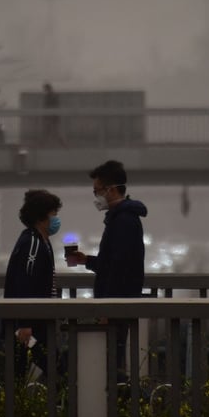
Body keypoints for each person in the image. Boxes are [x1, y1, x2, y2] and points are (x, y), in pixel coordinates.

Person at [66, 160, 148, 378]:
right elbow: (111, 263)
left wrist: (106, 309)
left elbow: (119, 268)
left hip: (116, 305)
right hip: (117, 304)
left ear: (110, 190)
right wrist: (87, 260)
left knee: (111, 363)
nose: (96, 197)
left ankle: (116, 396)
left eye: (97, 191)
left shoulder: (123, 221)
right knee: (110, 360)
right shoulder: (119, 218)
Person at [3, 189, 63, 380]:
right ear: (41, 217)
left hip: (38, 321)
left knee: (41, 367)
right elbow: (25, 281)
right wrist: (25, 322)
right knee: (53, 368)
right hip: (30, 326)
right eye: (54, 213)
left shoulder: (40, 241)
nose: (56, 219)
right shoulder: (33, 244)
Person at [40, 82, 67, 147]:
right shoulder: (51, 96)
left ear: (48, 89)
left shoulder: (51, 96)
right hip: (52, 117)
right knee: (51, 131)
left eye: (45, 89)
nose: (45, 90)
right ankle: (63, 144)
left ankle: (63, 144)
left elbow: (51, 106)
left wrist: (48, 116)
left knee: (53, 131)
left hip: (52, 117)